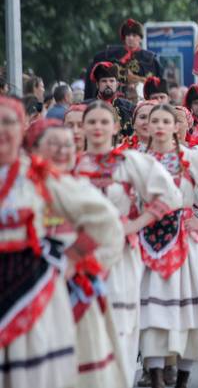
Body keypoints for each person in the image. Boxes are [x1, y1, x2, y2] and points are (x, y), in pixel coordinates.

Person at [2, 103, 125, 388]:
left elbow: (105, 221)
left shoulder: (36, 176)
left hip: (35, 289)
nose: (2, 131)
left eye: (9, 123)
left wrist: (70, 259)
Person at [72, 101, 182, 384]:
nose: (97, 127)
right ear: (83, 127)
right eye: (91, 122)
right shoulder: (72, 165)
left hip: (120, 257)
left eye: (104, 122)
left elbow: (170, 196)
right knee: (82, 330)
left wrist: (134, 224)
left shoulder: (130, 162)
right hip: (79, 258)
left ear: (116, 128)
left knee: (120, 327)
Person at [138, 104, 198, 388]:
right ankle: (155, 376)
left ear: (176, 127)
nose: (159, 126)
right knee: (152, 312)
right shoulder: (138, 160)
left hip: (185, 242)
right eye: (154, 120)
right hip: (147, 243)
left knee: (189, 312)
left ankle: (182, 378)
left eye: (165, 121)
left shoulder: (192, 158)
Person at [85, 18, 163, 99]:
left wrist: (136, 79)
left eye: (134, 35)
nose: (130, 38)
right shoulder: (108, 55)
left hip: (141, 100)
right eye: (128, 35)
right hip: (113, 99)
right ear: (124, 37)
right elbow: (92, 78)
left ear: (140, 38)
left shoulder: (151, 60)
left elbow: (158, 85)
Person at [90, 61, 135, 137]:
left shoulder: (129, 107)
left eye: (111, 81)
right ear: (97, 84)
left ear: (117, 84)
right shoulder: (87, 107)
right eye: (104, 81)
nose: (108, 84)